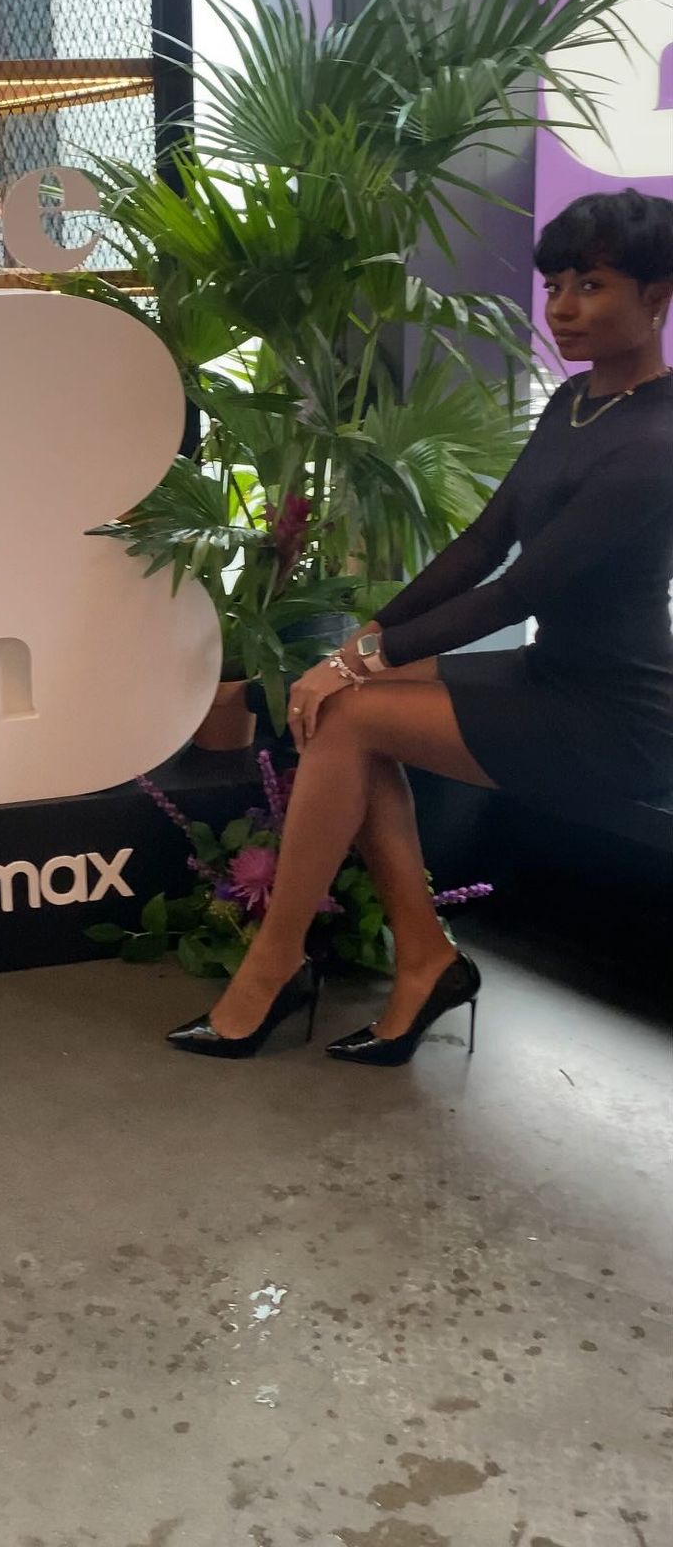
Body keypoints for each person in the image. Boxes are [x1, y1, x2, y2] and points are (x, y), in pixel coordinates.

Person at [168, 188, 673, 1066]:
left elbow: (517, 590)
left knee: (352, 712)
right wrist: (365, 640)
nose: (562, 307)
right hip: (553, 672)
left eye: (591, 286)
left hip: (617, 715)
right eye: (555, 284)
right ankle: (423, 957)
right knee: (346, 709)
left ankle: (275, 967)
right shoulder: (574, 402)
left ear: (658, 296)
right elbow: (483, 542)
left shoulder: (659, 439)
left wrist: (361, 661)